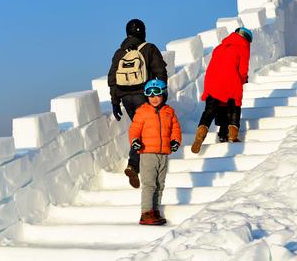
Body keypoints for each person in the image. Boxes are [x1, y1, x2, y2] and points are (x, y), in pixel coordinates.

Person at [108, 18, 168, 188]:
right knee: (145, 129)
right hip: (144, 95)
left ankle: (136, 164)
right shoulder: (149, 49)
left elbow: (112, 78)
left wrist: (115, 101)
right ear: (144, 32)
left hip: (126, 98)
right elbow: (160, 71)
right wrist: (162, 93)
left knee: (139, 126)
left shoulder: (120, 53)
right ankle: (135, 164)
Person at [128, 79, 182, 226]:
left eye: (157, 95)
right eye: (150, 95)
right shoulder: (142, 112)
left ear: (164, 94)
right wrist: (134, 141)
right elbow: (134, 130)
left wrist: (175, 140)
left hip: (163, 153)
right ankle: (146, 213)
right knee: (149, 184)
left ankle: (155, 211)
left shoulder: (169, 112)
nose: (154, 98)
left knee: (160, 184)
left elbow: (176, 129)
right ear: (146, 97)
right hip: (147, 153)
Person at [191, 27, 252, 154]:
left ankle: (202, 132)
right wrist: (242, 80)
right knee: (234, 105)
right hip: (230, 80)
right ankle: (232, 135)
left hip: (212, 81)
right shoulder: (243, 47)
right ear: (247, 39)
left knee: (211, 109)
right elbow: (243, 70)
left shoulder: (220, 47)